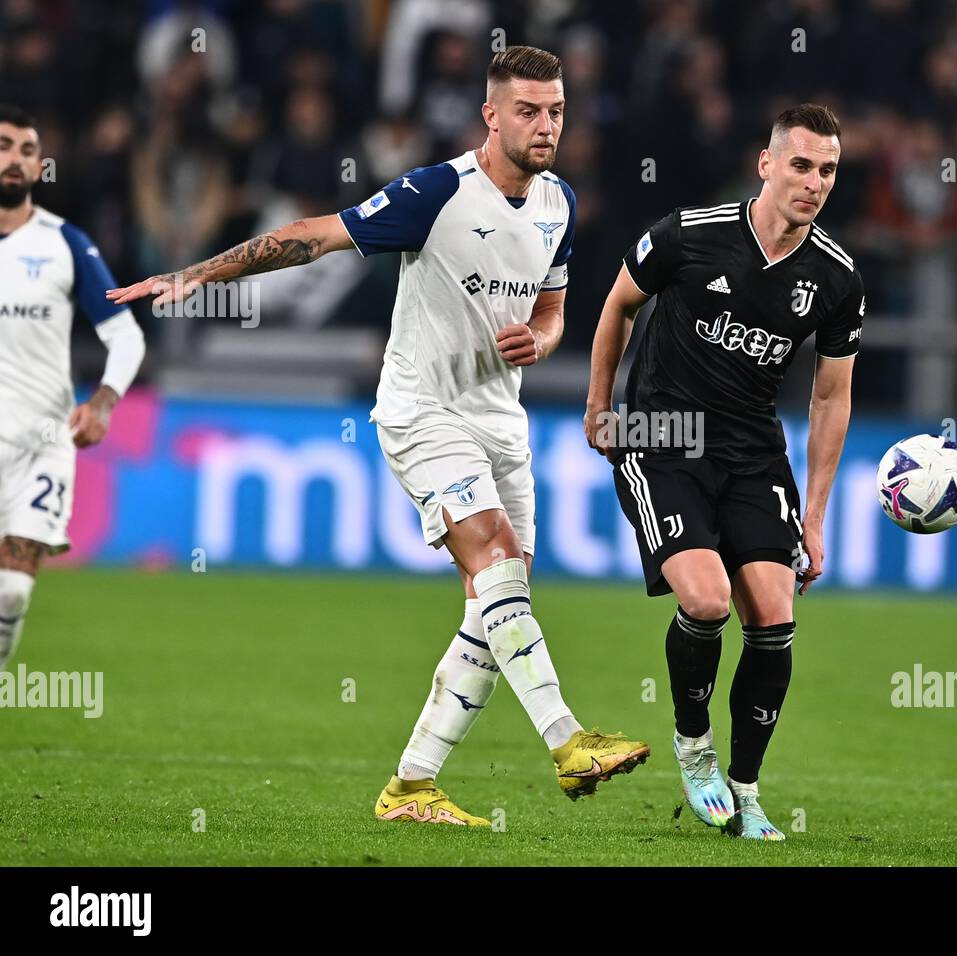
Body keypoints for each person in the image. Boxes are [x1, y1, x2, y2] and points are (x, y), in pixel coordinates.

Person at [107, 47, 648, 827]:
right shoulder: (438, 192)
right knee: (494, 559)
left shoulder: (560, 203)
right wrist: (193, 276)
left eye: (556, 110)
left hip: (501, 417)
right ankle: (567, 739)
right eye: (527, 110)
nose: (545, 125)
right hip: (423, 411)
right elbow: (310, 235)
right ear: (491, 115)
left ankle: (412, 786)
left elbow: (555, 306)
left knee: (497, 603)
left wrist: (543, 335)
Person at [585, 104, 863, 840]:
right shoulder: (689, 234)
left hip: (752, 451)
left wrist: (815, 517)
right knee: (707, 601)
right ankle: (694, 745)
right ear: (767, 164)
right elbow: (617, 306)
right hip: (659, 436)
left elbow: (831, 396)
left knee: (774, 616)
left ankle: (746, 789)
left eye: (828, 170)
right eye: (800, 165)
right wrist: (598, 406)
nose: (813, 182)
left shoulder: (836, 279)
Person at [0, 104, 147, 673]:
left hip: (43, 440)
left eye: (28, 150)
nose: (15, 160)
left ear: (40, 164)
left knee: (11, 594)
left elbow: (127, 336)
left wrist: (104, 403)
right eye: (5, 145)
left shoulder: (64, 243)